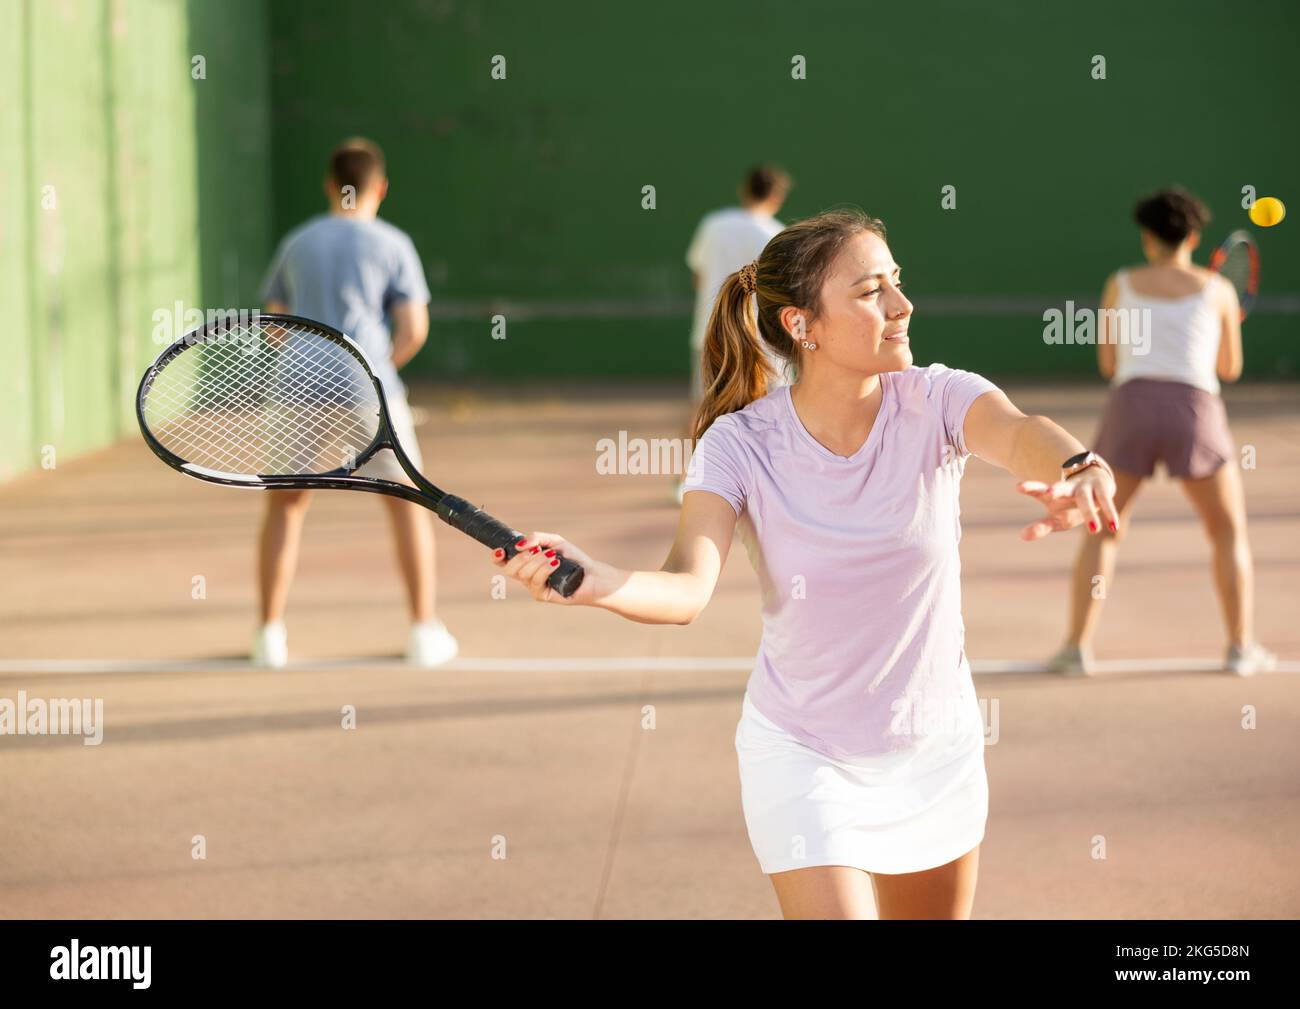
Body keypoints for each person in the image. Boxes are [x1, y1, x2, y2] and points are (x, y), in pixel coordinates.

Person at [488, 208, 1120, 919]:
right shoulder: (739, 443)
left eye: (898, 282)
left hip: (934, 751)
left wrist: (1079, 465)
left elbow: (1019, 430)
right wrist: (599, 580)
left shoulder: (938, 399)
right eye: (871, 290)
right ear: (802, 325)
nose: (902, 305)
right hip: (803, 751)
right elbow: (687, 586)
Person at [1047, 187, 1276, 677]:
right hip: (1195, 411)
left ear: (1148, 238)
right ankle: (1240, 649)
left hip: (1130, 406)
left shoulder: (1120, 283)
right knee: (1228, 532)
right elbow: (1230, 369)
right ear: (1193, 236)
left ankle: (1075, 649)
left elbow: (1108, 362)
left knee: (1104, 530)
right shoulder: (1219, 291)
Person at [252, 137, 458, 669]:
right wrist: (381, 362)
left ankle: (269, 637)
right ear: (381, 188)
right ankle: (422, 633)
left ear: (329, 184)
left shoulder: (298, 242)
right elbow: (414, 327)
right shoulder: (393, 243)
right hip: (368, 386)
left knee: (286, 506)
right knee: (408, 506)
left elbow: (276, 319)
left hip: (294, 386)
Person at [676, 166, 792, 503]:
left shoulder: (713, 224)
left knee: (703, 406)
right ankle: (773, 483)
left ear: (745, 190)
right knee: (773, 410)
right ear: (776, 197)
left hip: (710, 331)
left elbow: (699, 277)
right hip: (763, 338)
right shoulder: (776, 234)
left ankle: (685, 480)